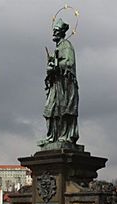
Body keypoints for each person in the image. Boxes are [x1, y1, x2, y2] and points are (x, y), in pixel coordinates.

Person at [41, 17, 79, 146]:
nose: (54, 33)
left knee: (64, 109)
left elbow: (69, 62)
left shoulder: (66, 45)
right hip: (56, 84)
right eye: (53, 30)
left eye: (56, 30)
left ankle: (64, 136)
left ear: (62, 32)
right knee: (50, 109)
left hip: (65, 85)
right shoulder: (58, 47)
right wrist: (50, 68)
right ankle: (52, 136)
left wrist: (56, 64)